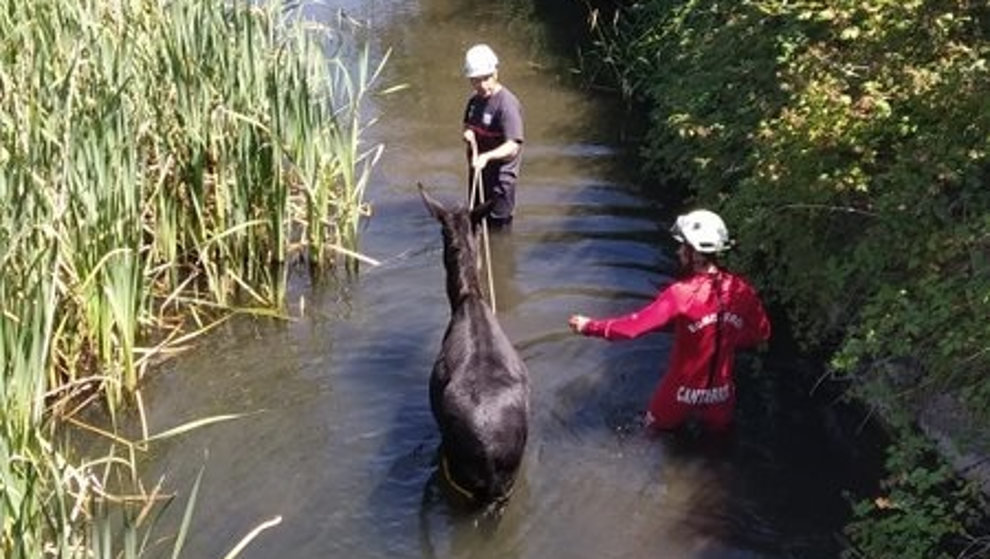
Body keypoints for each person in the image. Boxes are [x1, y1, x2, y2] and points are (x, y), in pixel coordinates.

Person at [568, 210, 771, 433]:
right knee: (718, 447)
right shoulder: (740, 290)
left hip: (679, 393)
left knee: (650, 436)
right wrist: (725, 334)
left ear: (695, 253)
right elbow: (761, 332)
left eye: (683, 245)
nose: (678, 251)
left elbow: (631, 329)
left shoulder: (681, 294)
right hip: (721, 395)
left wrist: (589, 326)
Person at [461, 44, 524, 228]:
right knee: (475, 224)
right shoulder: (474, 101)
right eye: (475, 80)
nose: (482, 85)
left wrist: (486, 156)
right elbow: (468, 125)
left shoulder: (507, 105)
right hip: (478, 176)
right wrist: (468, 133)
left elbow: (513, 147)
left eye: (486, 78)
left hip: (500, 184)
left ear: (495, 73)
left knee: (498, 231)